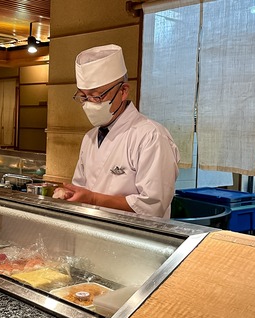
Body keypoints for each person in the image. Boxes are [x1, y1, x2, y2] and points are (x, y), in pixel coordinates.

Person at [54, 44, 180, 218]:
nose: (89, 104)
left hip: (134, 239)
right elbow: (81, 187)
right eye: (84, 97)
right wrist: (69, 193)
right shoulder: (90, 137)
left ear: (123, 91)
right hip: (92, 232)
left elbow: (152, 205)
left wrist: (93, 199)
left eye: (97, 96)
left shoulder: (151, 136)